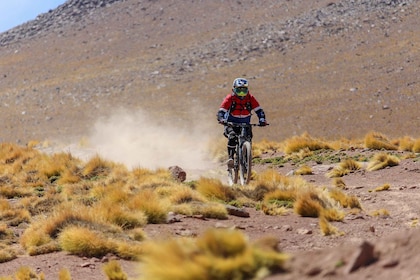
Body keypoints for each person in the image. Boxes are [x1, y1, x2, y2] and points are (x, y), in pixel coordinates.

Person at [217, 77, 268, 168]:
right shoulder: (230, 98)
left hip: (245, 124)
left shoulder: (250, 98)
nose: (241, 93)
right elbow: (221, 111)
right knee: (232, 137)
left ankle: (246, 158)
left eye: (244, 90)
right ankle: (231, 158)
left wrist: (262, 119)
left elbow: (259, 110)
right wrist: (221, 119)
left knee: (249, 138)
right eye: (239, 90)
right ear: (234, 89)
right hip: (230, 123)